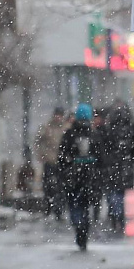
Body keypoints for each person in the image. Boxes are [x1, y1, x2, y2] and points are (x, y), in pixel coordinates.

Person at [58, 103, 99, 251]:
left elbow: (61, 157)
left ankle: (79, 228)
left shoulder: (69, 134)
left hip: (73, 178)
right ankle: (83, 233)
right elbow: (100, 157)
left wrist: (66, 170)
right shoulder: (93, 134)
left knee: (75, 206)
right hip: (88, 178)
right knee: (85, 208)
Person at [95, 105, 134, 236]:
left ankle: (115, 217)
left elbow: (102, 151)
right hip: (124, 170)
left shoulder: (109, 132)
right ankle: (120, 218)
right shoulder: (130, 132)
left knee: (112, 196)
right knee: (119, 196)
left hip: (111, 170)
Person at [36, 107, 71, 221]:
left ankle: (59, 210)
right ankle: (48, 209)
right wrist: (41, 154)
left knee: (61, 187)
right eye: (56, 115)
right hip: (49, 161)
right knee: (48, 186)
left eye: (60, 115)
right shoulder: (47, 127)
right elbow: (38, 141)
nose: (58, 117)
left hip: (62, 162)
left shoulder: (66, 128)